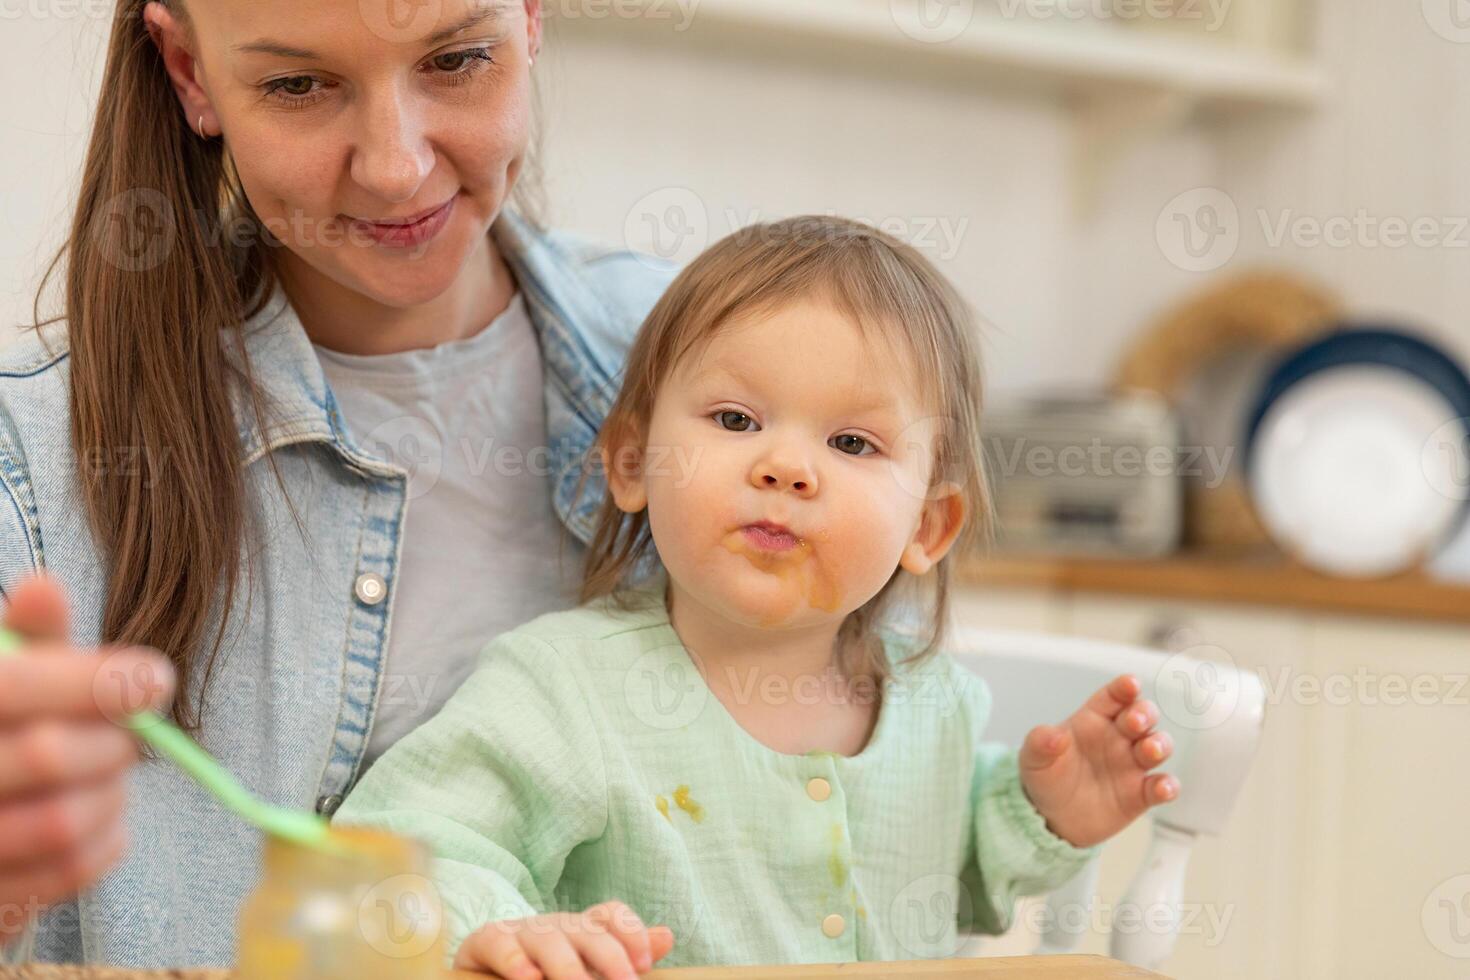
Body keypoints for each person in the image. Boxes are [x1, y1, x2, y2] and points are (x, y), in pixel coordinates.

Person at [0, 0, 676, 965]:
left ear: (530, 19)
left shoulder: (731, 377)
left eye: (455, 60)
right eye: (298, 84)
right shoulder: (27, 465)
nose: (396, 167)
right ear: (190, 72)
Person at [334, 217, 1182, 978]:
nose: (785, 467)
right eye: (736, 420)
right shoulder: (564, 688)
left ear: (928, 524)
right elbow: (404, 847)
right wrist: (505, 932)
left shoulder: (937, 705)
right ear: (633, 462)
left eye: (852, 441)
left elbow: (946, 871)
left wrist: (1042, 813)